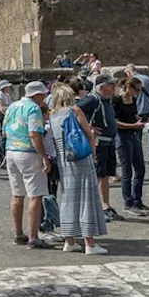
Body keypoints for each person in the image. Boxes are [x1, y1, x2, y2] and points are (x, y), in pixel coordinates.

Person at [48, 84, 108, 255]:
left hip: (63, 159)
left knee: (68, 199)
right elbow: (88, 133)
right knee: (86, 198)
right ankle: (90, 243)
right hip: (80, 158)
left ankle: (69, 240)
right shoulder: (74, 111)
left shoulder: (52, 116)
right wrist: (93, 154)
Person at [3, 81, 52, 248]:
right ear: (37, 95)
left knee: (17, 194)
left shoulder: (12, 107)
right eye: (43, 95)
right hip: (28, 153)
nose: (44, 98)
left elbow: (4, 131)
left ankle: (18, 233)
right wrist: (44, 157)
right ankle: (33, 236)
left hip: (11, 151)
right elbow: (34, 134)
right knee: (35, 195)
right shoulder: (33, 109)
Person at [77, 75, 123, 222]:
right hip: (99, 143)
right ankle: (98, 207)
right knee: (99, 175)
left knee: (105, 175)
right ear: (102, 86)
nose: (113, 87)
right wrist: (88, 128)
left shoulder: (106, 100)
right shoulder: (93, 99)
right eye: (110, 85)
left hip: (109, 142)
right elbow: (75, 110)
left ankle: (105, 205)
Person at [114, 77, 149, 216]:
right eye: (137, 89)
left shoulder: (133, 100)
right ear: (128, 87)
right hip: (122, 137)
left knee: (140, 168)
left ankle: (137, 200)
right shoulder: (117, 101)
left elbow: (134, 116)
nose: (138, 92)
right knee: (127, 171)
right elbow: (115, 122)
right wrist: (133, 125)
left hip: (133, 136)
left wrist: (146, 120)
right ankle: (128, 202)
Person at [125, 64, 149, 160]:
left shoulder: (128, 83)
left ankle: (137, 152)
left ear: (129, 72)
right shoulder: (146, 78)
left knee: (137, 132)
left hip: (136, 109)